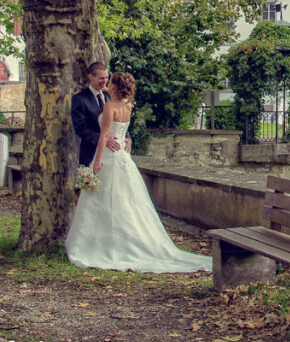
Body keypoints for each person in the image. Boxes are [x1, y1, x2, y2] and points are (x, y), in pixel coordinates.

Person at [65, 72, 212, 273]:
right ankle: (113, 241)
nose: (106, 83)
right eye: (102, 78)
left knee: (109, 201)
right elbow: (103, 129)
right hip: (124, 160)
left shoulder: (110, 105)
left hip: (109, 157)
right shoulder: (127, 105)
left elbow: (105, 136)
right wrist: (122, 138)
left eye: (108, 80)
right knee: (124, 203)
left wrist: (97, 162)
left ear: (115, 86)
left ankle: (102, 246)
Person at [71, 62, 122, 167]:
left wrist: (127, 137)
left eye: (106, 78)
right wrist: (104, 139)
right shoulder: (80, 99)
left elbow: (120, 121)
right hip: (91, 153)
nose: (104, 81)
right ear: (91, 77)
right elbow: (80, 128)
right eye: (101, 78)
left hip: (113, 156)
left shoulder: (110, 97)